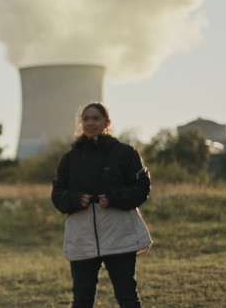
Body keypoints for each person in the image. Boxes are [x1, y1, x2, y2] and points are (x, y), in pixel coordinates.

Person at [51, 102, 152, 308]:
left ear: (107, 122)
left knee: (128, 296)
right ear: (80, 123)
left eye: (96, 118)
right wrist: (77, 199)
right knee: (81, 300)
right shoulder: (70, 159)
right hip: (82, 237)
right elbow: (58, 194)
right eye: (86, 119)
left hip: (118, 234)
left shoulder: (125, 152)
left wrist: (114, 198)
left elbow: (142, 188)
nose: (90, 123)